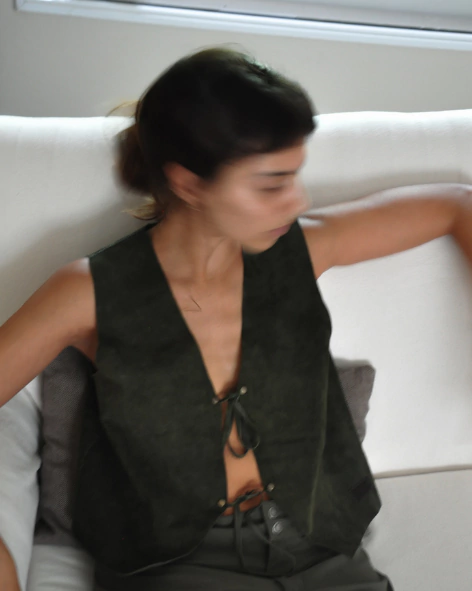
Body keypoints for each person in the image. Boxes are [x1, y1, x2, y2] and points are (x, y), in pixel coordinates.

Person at [1, 46, 471, 591]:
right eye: (271, 184)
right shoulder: (87, 292)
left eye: (295, 176)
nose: (296, 201)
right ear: (188, 183)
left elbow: (456, 205)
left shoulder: (305, 249)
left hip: (321, 548)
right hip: (178, 565)